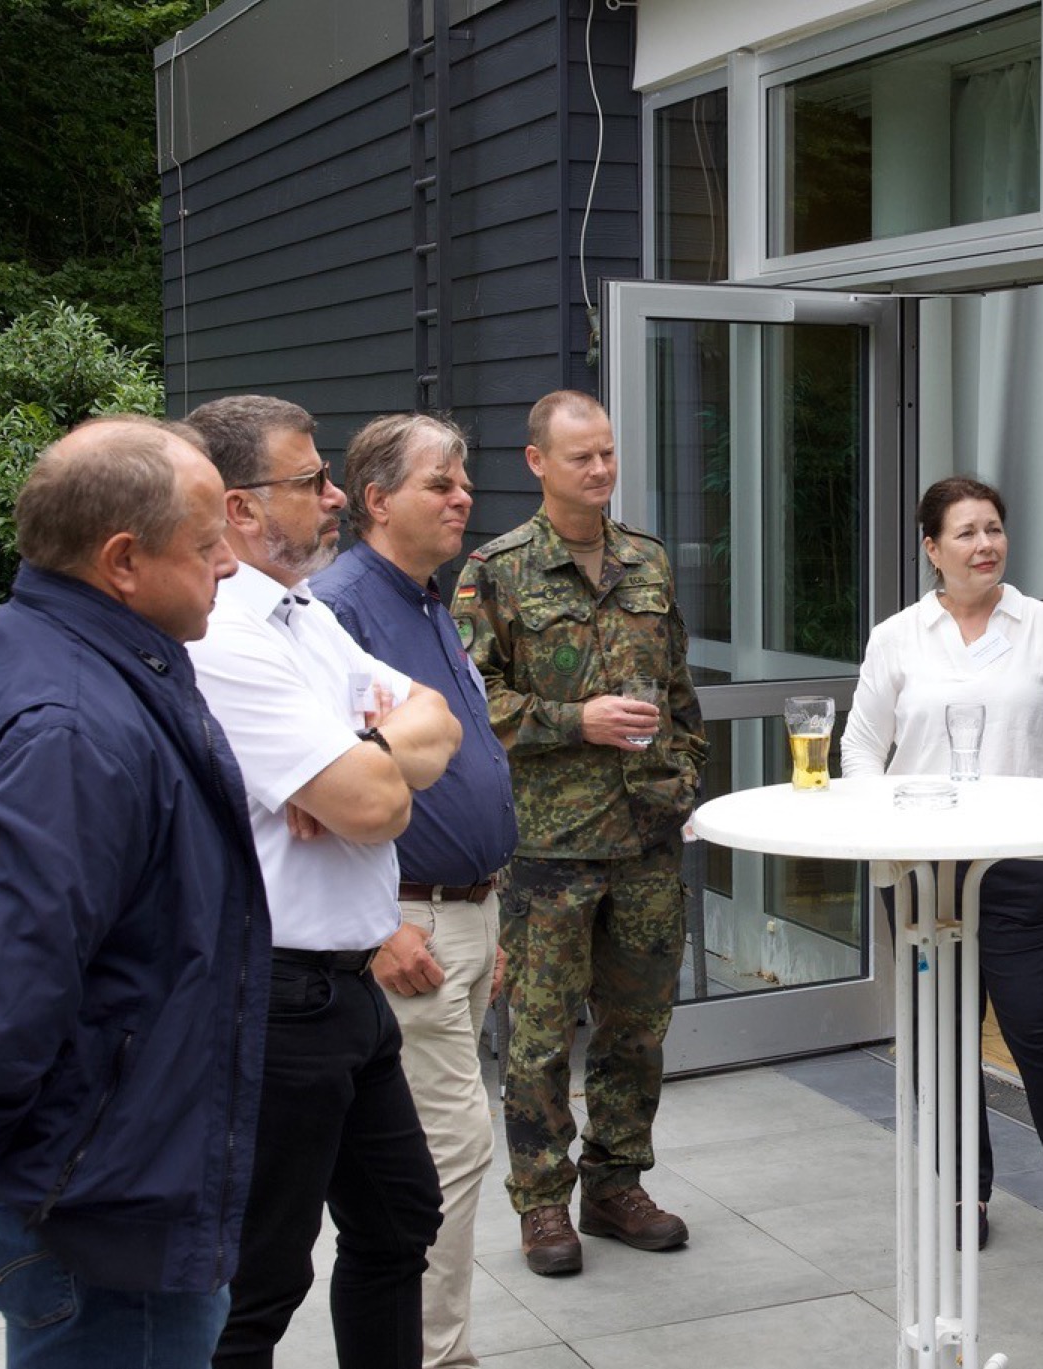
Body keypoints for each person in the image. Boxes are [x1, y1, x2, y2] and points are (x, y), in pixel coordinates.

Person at [0, 416, 271, 1367]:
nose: (230, 565)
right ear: (123, 561)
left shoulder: (19, 642)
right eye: (207, 545)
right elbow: (12, 978)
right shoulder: (73, 725)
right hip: (94, 1200)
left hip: (77, 1174)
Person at [184, 395, 460, 1369]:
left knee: (400, 1219)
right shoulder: (223, 636)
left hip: (348, 988)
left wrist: (361, 756)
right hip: (277, 996)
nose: (336, 495)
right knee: (257, 1279)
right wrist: (368, 774)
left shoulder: (302, 616)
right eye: (310, 480)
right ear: (240, 508)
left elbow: (437, 718)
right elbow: (378, 806)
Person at [452, 389, 708, 1276]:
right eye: (580, 457)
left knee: (637, 1030)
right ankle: (541, 1203)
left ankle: (615, 1185)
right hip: (549, 849)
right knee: (538, 1037)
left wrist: (684, 774)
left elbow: (679, 688)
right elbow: (470, 702)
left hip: (646, 840)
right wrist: (576, 718)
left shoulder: (647, 558)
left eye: (607, 453)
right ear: (537, 463)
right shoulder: (496, 570)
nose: (600, 469)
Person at [840, 475, 1043, 1278]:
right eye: (965, 532)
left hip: (1024, 862)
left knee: (1041, 1031)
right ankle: (966, 1192)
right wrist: (885, 830)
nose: (985, 544)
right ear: (932, 548)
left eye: (993, 528)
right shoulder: (898, 637)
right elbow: (861, 747)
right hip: (921, 868)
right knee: (942, 1038)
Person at [309, 414, 519, 1369]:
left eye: (464, 480)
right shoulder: (339, 609)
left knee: (441, 1152)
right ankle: (437, 1356)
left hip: (464, 913)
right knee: (446, 1152)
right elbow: (315, 789)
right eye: (441, 483)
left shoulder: (431, 601)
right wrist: (381, 925)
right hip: (408, 927)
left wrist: (487, 910)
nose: (463, 496)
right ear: (378, 499)